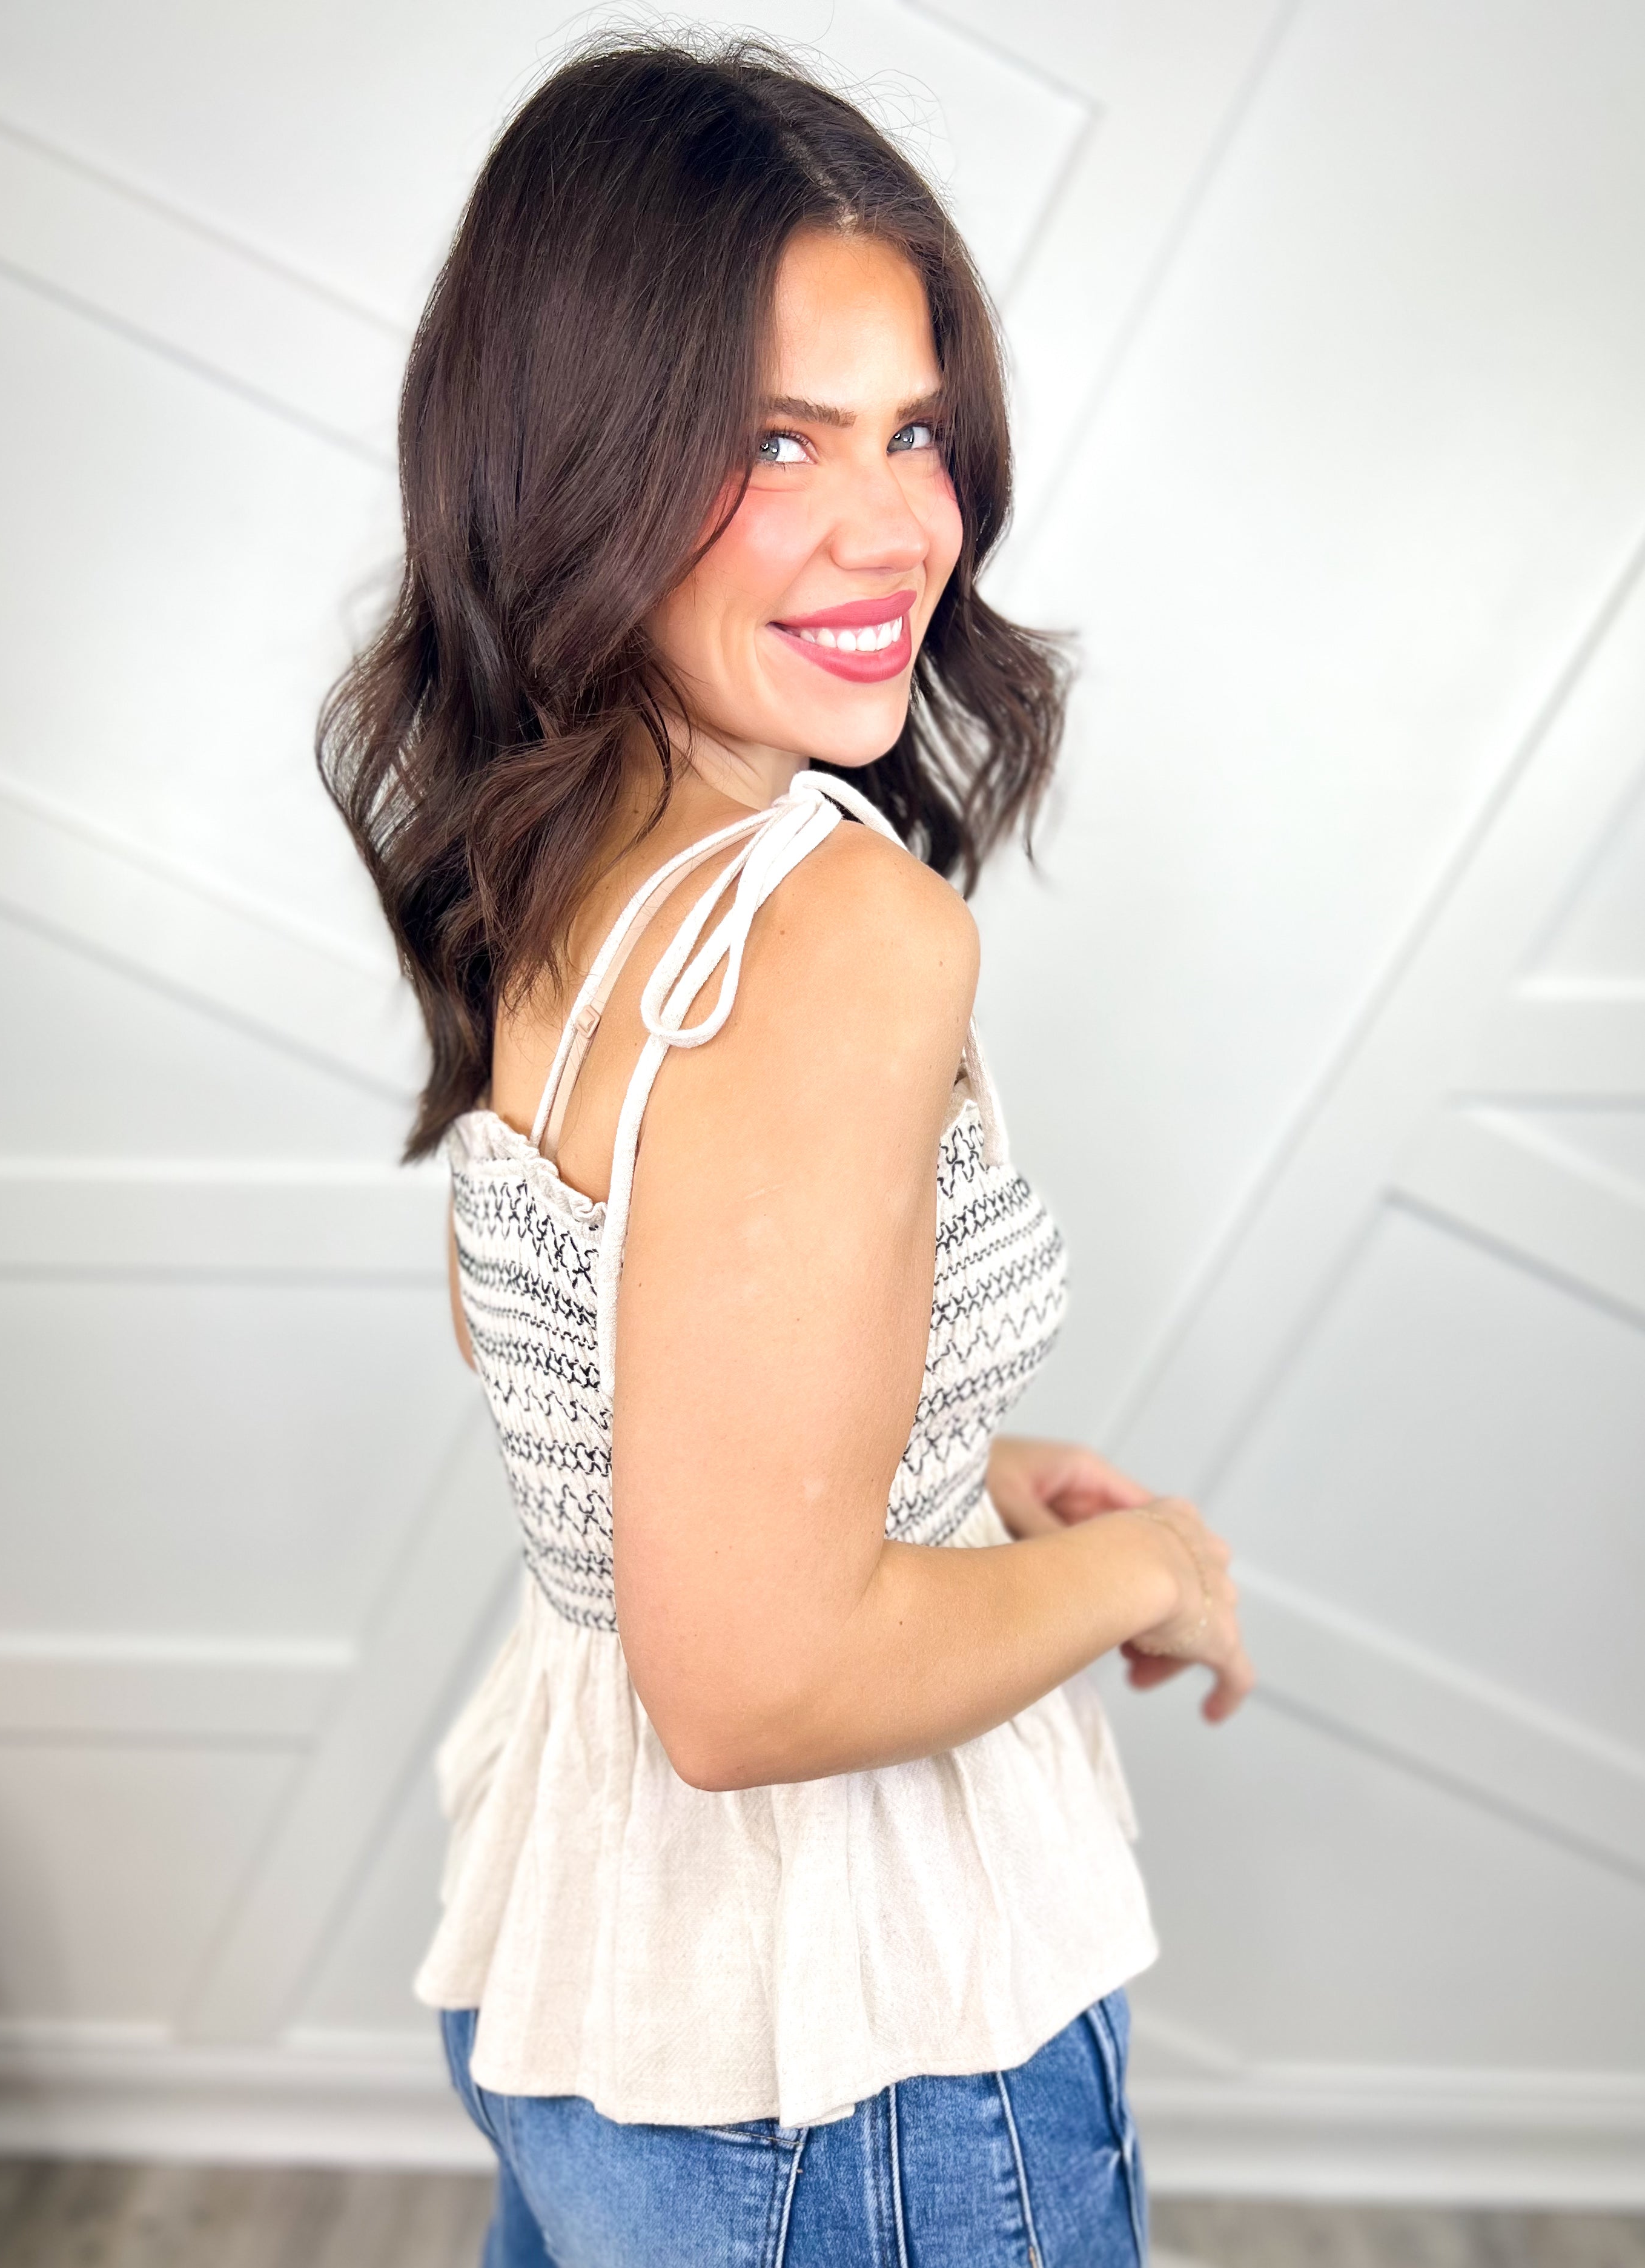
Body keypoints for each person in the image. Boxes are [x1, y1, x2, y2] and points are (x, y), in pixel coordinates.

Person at [319, 36, 1254, 2268]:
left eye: (911, 429)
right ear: (578, 461)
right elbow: (749, 1681)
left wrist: (949, 1466)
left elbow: (608, 1373)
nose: (893, 526)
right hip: (852, 2061)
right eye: (771, 442)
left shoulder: (562, 852)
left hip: (608, 1996)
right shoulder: (835, 932)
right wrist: (1144, 1567)